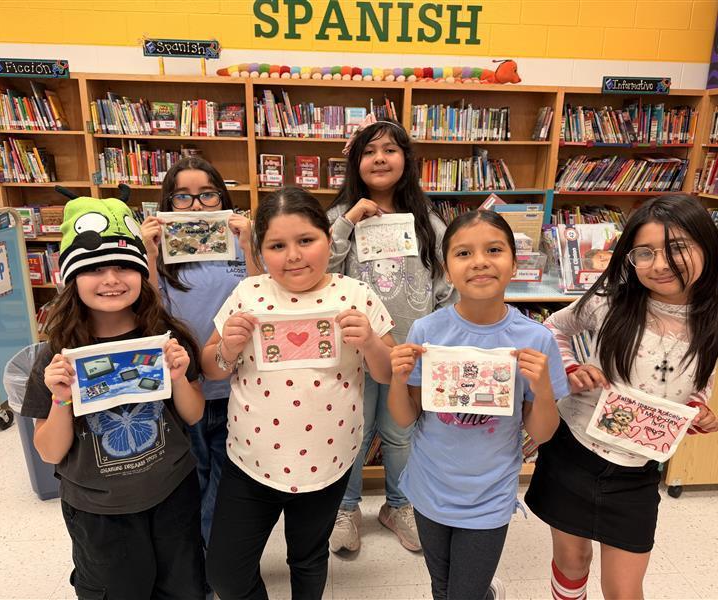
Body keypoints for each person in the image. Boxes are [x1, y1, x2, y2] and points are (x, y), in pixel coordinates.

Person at [524, 194, 718, 600]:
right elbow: (552, 328)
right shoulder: (609, 304)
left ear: (707, 247)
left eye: (677, 248)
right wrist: (568, 370)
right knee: (572, 564)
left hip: (638, 469)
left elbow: (700, 384)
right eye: (645, 252)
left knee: (624, 589)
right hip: (574, 451)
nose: (660, 264)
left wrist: (696, 411)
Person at [202, 187, 395, 599]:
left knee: (308, 559)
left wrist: (372, 344)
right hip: (251, 460)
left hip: (328, 461)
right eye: (277, 245)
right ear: (260, 249)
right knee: (226, 572)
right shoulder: (248, 294)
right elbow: (211, 367)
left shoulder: (355, 294)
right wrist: (227, 348)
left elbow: (388, 371)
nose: (293, 256)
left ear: (329, 237)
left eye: (306, 240)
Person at [20, 195, 206, 599]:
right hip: (98, 509)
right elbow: (50, 452)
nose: (111, 279)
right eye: (93, 269)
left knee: (184, 587)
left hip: (172, 492)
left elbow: (193, 414)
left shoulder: (164, 335)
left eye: (123, 265)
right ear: (72, 278)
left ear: (141, 271)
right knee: (116, 590)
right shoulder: (55, 355)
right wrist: (61, 398)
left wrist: (177, 377)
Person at [387, 210, 569, 600]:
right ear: (446, 269)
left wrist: (543, 390)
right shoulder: (427, 331)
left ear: (514, 262)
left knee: (462, 594)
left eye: (494, 249)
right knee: (442, 586)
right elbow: (405, 419)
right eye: (464, 253)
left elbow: (542, 433)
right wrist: (399, 379)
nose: (481, 261)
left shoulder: (535, 339)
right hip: (429, 486)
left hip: (489, 494)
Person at [327, 117, 454, 553]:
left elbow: (446, 285)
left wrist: (433, 339)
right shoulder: (336, 218)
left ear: (406, 159)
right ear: (354, 162)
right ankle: (345, 509)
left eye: (390, 150)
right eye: (368, 151)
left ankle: (399, 505)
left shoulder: (429, 221)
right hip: (354, 352)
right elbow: (316, 273)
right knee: (354, 432)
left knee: (401, 433)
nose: (379, 158)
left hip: (410, 352)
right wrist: (348, 221)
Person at [140, 156, 257, 545]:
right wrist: (150, 255)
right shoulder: (160, 253)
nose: (196, 206)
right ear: (167, 203)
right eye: (183, 198)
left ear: (222, 197)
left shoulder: (240, 247)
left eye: (207, 195)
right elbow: (148, 315)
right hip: (183, 387)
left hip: (234, 385)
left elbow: (263, 301)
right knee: (192, 477)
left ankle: (213, 562)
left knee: (227, 480)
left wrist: (250, 245)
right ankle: (197, 561)